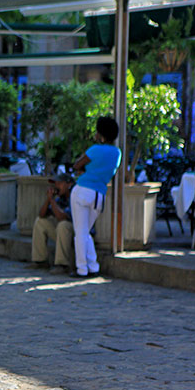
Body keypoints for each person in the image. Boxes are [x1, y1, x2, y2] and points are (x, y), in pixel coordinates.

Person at [70, 116, 122, 278]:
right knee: (86, 232)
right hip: (99, 194)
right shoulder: (117, 153)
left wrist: (84, 170)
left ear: (100, 133)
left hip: (82, 190)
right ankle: (93, 266)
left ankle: (82, 268)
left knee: (80, 232)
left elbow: (77, 164)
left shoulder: (94, 149)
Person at [28, 173, 75, 274]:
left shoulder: (74, 196)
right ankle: (40, 261)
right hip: (61, 234)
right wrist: (49, 199)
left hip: (75, 235)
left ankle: (62, 265)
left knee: (63, 225)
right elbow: (42, 214)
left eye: (60, 183)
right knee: (40, 222)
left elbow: (62, 217)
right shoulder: (59, 198)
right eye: (55, 183)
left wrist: (52, 200)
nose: (56, 186)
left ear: (69, 184)